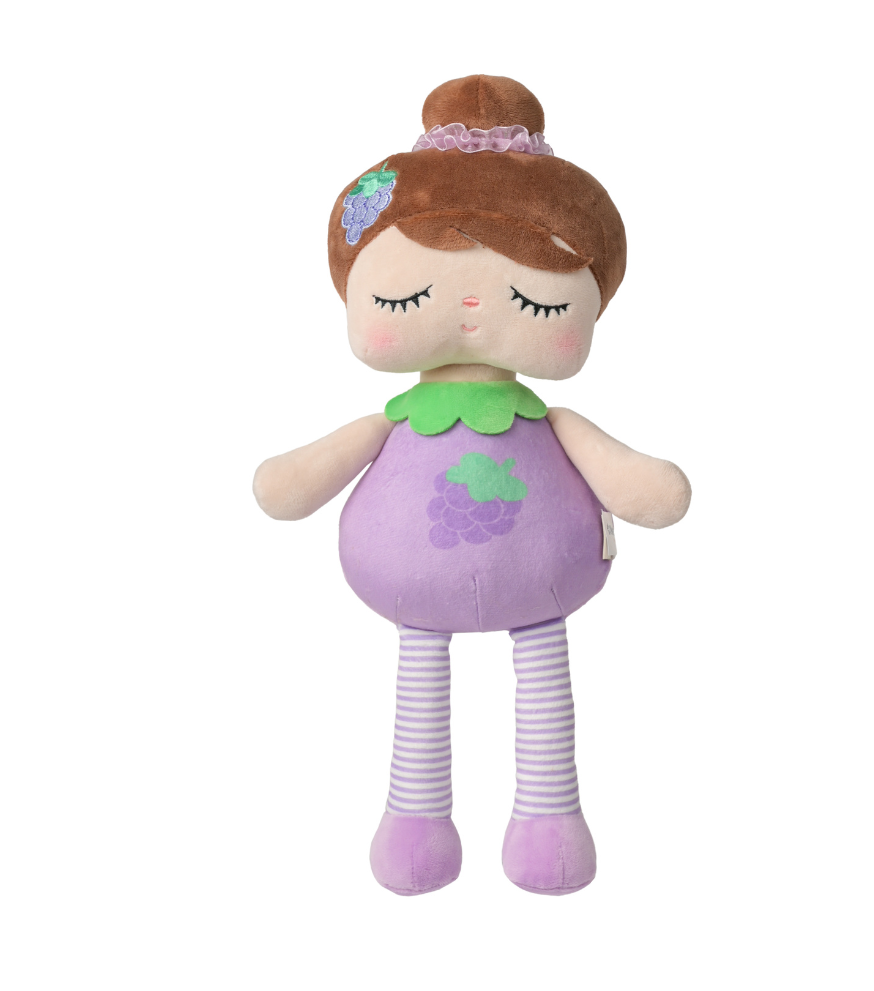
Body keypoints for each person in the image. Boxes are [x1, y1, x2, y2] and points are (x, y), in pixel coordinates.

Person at [253, 75, 691, 896]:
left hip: (534, 576)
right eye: (410, 295)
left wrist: (641, 485)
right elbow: (295, 482)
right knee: (430, 671)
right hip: (429, 584)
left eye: (530, 299)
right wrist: (290, 481)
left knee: (531, 667)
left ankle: (546, 816)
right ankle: (419, 817)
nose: (466, 307)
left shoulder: (552, 418)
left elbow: (634, 480)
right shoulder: (393, 417)